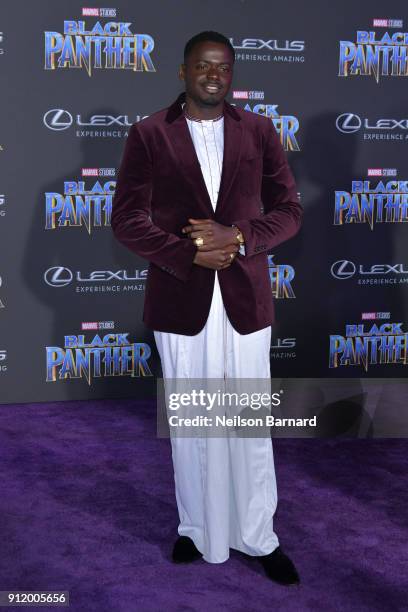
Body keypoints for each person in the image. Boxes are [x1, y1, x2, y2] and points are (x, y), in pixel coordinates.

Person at [111, 30, 302, 585]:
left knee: (247, 418)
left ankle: (259, 535)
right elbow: (126, 219)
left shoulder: (260, 131)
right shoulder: (148, 133)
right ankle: (196, 529)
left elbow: (289, 210)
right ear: (183, 72)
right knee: (193, 419)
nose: (213, 75)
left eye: (222, 67)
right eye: (202, 66)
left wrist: (237, 237)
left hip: (245, 297)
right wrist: (191, 253)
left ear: (232, 74)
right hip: (180, 296)